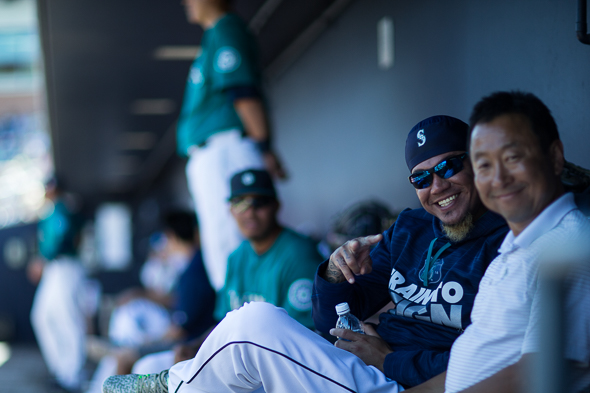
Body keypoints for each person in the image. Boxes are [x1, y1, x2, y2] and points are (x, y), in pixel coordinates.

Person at [102, 115, 509, 393]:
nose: (436, 185)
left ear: (477, 164)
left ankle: (175, 383)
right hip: (363, 365)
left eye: (449, 167)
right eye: (422, 176)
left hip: (404, 383)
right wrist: (334, 273)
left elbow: (484, 366)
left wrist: (388, 359)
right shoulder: (410, 229)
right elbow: (331, 319)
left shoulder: (506, 249)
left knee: (253, 324)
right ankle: (177, 381)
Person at [404, 91, 590, 393]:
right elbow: (465, 367)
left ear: (555, 157)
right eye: (484, 165)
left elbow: (536, 376)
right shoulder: (514, 250)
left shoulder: (571, 246)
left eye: (512, 157)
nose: (498, 179)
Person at [116, 169, 322, 378]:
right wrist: (196, 346)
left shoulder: (299, 254)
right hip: (238, 357)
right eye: (240, 203)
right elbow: (223, 323)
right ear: (231, 210)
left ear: (276, 205)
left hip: (280, 365)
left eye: (259, 202)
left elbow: (301, 335)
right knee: (147, 368)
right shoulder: (237, 257)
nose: (249, 212)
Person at [178, 0, 286, 294]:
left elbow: (242, 92)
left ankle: (243, 320)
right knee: (222, 242)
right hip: (214, 152)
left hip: (226, 149)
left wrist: (264, 147)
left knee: (232, 239)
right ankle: (234, 317)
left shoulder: (227, 28)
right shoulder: (214, 34)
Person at [29, 178, 89, 392]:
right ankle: (62, 371)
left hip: (65, 266)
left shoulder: (64, 207)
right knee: (42, 317)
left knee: (68, 320)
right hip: (55, 269)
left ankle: (73, 376)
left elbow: (63, 236)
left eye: (51, 187)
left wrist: (43, 258)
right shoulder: (53, 210)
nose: (48, 191)